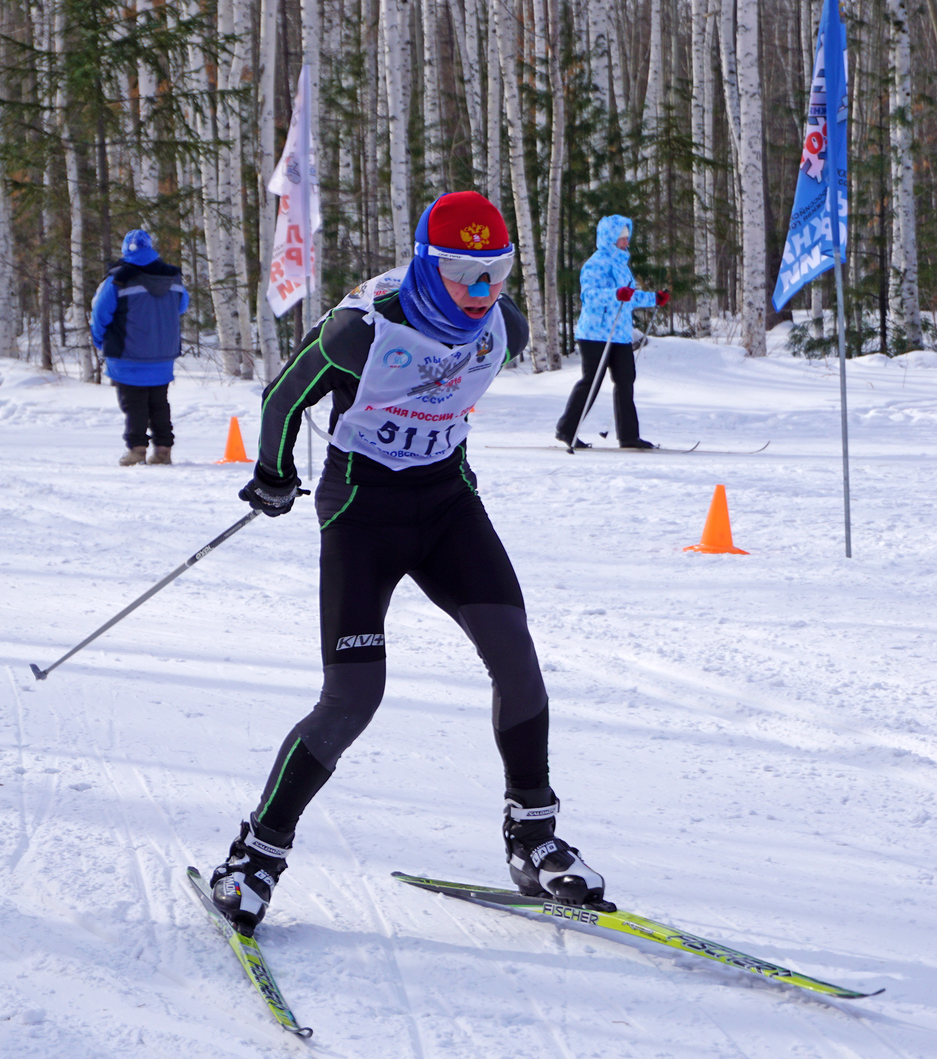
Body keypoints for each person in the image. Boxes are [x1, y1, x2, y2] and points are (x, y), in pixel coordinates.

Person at [209, 191, 610, 937]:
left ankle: (534, 837)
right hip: (361, 511)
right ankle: (255, 856)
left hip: (446, 504)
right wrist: (271, 475)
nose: (482, 291)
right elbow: (283, 397)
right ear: (427, 263)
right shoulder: (362, 329)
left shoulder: (505, 327)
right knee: (353, 697)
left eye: (497, 271)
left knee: (518, 663)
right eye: (464, 272)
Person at [554, 215, 669, 449]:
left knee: (626, 380)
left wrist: (653, 298)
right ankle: (567, 429)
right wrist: (615, 294)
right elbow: (590, 296)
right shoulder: (595, 263)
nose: (626, 242)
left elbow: (629, 296)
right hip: (595, 333)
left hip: (619, 333)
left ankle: (628, 436)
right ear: (610, 239)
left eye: (627, 238)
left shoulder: (621, 265)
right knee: (592, 382)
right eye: (622, 239)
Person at [89, 229, 190, 466]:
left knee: (133, 404)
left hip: (127, 353)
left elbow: (100, 314)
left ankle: (137, 450)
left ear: (125, 250)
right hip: (163, 355)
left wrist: (99, 340)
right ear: (151, 248)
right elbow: (182, 306)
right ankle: (163, 450)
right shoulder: (172, 277)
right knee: (159, 402)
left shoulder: (118, 278)